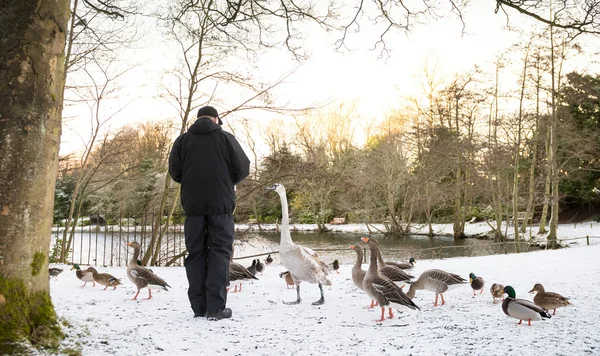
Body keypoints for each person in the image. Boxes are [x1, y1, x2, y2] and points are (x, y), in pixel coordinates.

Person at [168, 106, 250, 320]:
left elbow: (175, 173)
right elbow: (243, 168)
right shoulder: (226, 139)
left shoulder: (182, 141)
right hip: (220, 206)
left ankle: (199, 308)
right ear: (215, 119)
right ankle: (215, 308)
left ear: (197, 120)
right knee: (219, 253)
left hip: (193, 207)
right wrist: (226, 181)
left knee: (195, 254)